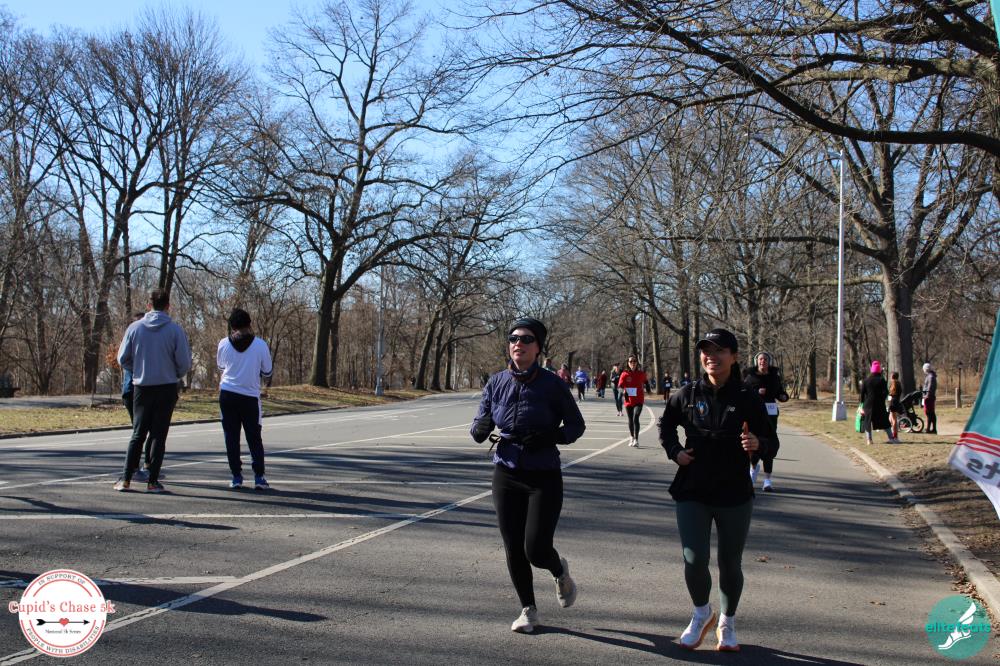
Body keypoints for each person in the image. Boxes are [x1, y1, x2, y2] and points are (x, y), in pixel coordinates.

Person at [659, 328, 774, 652]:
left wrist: (758, 443)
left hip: (733, 490)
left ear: (734, 357)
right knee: (694, 558)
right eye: (706, 351)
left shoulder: (747, 397)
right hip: (692, 487)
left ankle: (727, 621)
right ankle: (701, 614)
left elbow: (771, 441)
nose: (711, 356)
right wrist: (674, 451)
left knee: (730, 562)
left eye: (720, 350)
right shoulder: (687, 394)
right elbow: (666, 426)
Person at [470, 317, 585, 634]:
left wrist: (551, 437)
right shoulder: (496, 382)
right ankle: (528, 610)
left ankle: (559, 570)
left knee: (535, 549)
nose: (518, 343)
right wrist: (480, 428)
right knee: (513, 545)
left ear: (538, 348)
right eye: (513, 338)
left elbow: (576, 426)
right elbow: (479, 423)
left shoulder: (552, 384)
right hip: (506, 472)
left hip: (543, 475)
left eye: (526, 339)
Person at [114, 289, 192, 492]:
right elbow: (184, 363)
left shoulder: (135, 328)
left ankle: (126, 479)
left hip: (142, 386)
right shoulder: (175, 330)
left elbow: (122, 358)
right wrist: (174, 373)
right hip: (166, 386)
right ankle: (152, 481)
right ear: (168, 306)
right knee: (158, 434)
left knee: (138, 433)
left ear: (149, 305)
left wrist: (137, 368)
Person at [218, 308, 274, 491]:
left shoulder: (223, 344)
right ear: (250, 324)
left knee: (231, 437)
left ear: (232, 327)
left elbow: (221, 367)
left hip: (227, 394)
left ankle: (236, 476)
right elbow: (267, 371)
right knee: (254, 437)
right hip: (249, 396)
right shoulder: (260, 345)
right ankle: (259, 476)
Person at [742, 352, 789, 491]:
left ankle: (767, 481)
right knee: (753, 443)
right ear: (757, 361)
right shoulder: (749, 376)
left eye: (765, 359)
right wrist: (756, 392)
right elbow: (743, 392)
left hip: (770, 415)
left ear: (769, 362)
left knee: (770, 445)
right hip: (754, 415)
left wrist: (783, 396)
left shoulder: (774, 376)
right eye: (761, 359)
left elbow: (780, 392)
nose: (763, 361)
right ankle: (753, 470)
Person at [860, 361, 894, 445]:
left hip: (868, 404)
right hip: (879, 404)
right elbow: (885, 392)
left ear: (871, 370)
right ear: (879, 370)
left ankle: (869, 440)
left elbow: (862, 394)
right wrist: (882, 399)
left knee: (868, 422)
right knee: (884, 421)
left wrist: (862, 404)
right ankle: (891, 438)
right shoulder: (882, 380)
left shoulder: (866, 380)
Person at [618, 355, 647, 447]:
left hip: (639, 400)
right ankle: (631, 436)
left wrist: (648, 389)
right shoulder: (624, 374)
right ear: (628, 363)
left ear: (637, 363)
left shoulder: (641, 373)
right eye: (631, 361)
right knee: (630, 419)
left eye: (634, 361)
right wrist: (623, 391)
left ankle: (636, 440)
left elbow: (646, 382)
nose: (633, 363)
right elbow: (620, 386)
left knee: (636, 418)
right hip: (628, 400)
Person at [922, 362, 938, 434]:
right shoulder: (929, 376)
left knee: (929, 413)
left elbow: (930, 387)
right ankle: (932, 428)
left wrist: (927, 396)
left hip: (929, 397)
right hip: (929, 396)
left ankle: (930, 429)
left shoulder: (931, 377)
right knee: (930, 413)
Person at [888, 371, 903, 441]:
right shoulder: (898, 384)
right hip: (896, 401)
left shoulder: (892, 384)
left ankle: (894, 436)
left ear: (892, 376)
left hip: (892, 402)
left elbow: (890, 394)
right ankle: (892, 435)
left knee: (893, 419)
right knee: (891, 419)